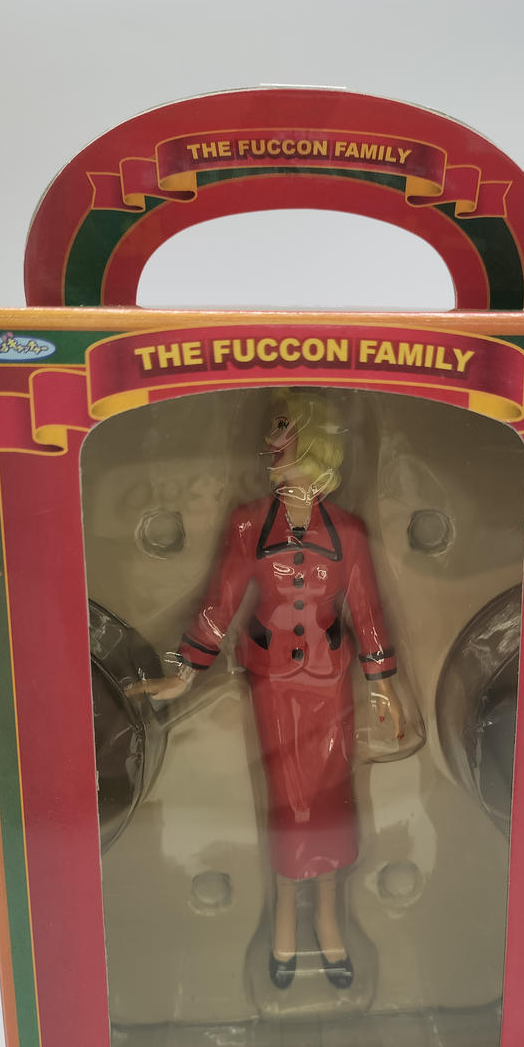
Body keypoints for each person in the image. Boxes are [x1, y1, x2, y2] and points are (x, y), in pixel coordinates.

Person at [129, 389, 405, 990]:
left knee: (331, 799)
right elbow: (220, 603)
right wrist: (186, 671)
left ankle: (327, 916)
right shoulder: (248, 524)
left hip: (330, 682)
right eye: (272, 430)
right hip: (274, 681)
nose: (271, 442)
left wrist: (384, 685)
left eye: (283, 428)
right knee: (288, 802)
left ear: (313, 442)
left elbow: (367, 612)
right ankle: (284, 914)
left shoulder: (349, 531)